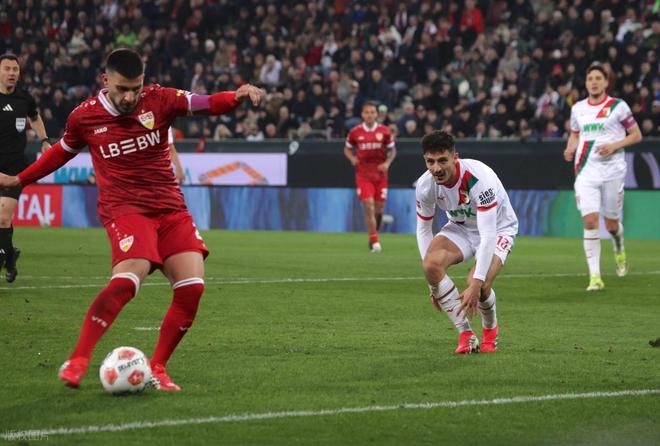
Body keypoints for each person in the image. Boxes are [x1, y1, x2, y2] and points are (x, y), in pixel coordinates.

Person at [0, 49, 263, 390]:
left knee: (192, 287)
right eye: (122, 89)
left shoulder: (160, 99)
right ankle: (78, 359)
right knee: (129, 278)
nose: (129, 97)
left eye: (135, 89)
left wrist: (237, 96)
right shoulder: (85, 117)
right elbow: (61, 153)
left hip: (170, 207)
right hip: (124, 209)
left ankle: (158, 367)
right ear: (105, 80)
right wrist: (20, 179)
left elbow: (206, 103)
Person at [415, 131, 518, 354]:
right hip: (461, 227)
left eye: (442, 160)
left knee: (480, 284)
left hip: (498, 229)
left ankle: (490, 330)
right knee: (431, 265)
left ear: (455, 157)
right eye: (430, 162)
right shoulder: (425, 185)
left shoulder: (479, 178)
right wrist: (433, 285)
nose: (436, 168)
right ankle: (466, 334)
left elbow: (488, 234)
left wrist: (476, 284)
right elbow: (423, 229)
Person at [563, 63, 642, 291]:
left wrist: (614, 146)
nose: (594, 82)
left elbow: (636, 135)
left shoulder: (618, 107)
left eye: (598, 78)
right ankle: (595, 277)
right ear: (586, 83)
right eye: (590, 79)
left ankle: (619, 248)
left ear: (606, 82)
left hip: (613, 171)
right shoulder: (578, 108)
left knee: (611, 225)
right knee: (590, 221)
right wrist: (570, 147)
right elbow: (575, 134)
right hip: (586, 171)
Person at [0, 53, 51, 282]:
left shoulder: (25, 99)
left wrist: (44, 140)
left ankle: (4, 258)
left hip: (14, 169)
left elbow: (35, 118)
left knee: (3, 217)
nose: (12, 73)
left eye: (15, 69)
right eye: (7, 69)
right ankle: (10, 256)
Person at [343, 102, 396, 253]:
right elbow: (347, 149)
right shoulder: (355, 132)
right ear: (362, 114)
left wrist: (387, 163)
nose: (369, 115)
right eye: (367, 112)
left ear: (376, 114)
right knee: (368, 205)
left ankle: (373, 234)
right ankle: (374, 241)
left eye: (372, 112)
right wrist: (352, 158)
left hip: (380, 174)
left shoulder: (384, 131)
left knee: (379, 210)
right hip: (363, 174)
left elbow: (392, 150)